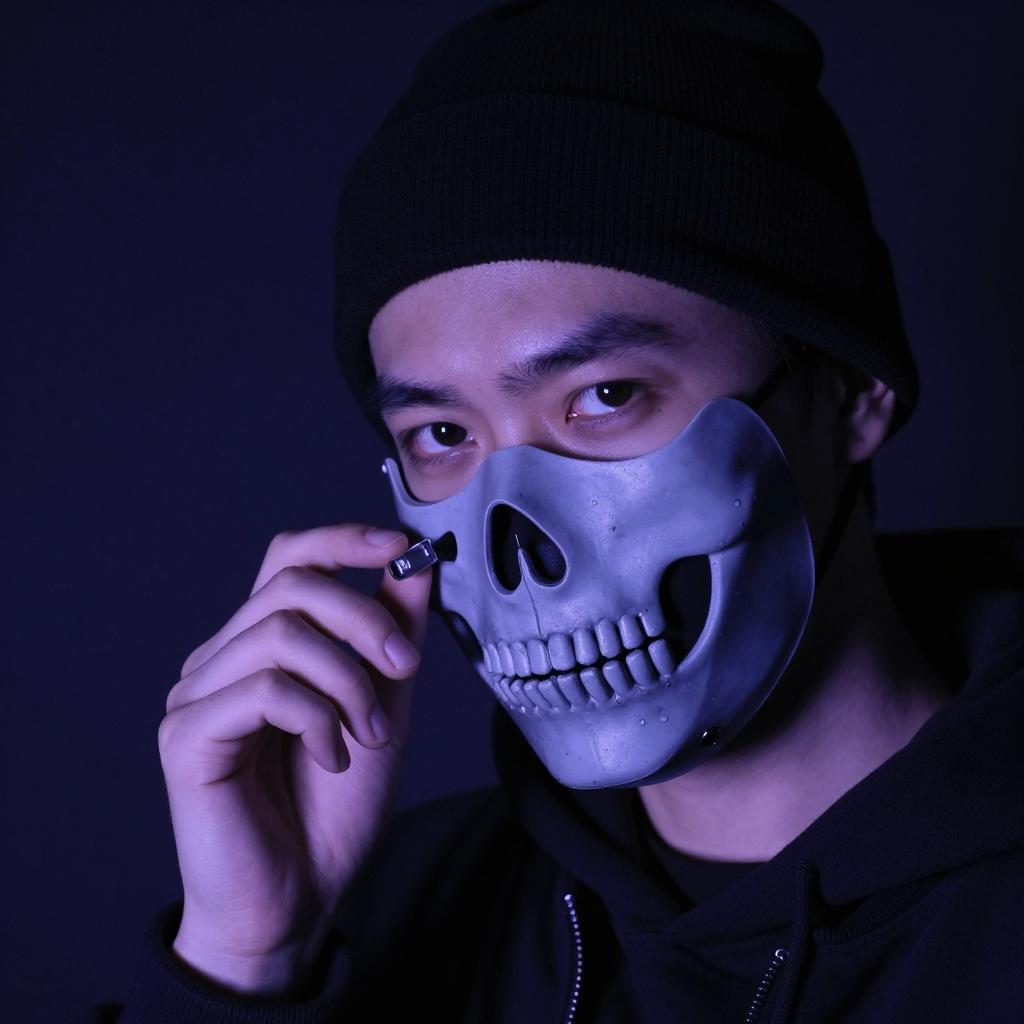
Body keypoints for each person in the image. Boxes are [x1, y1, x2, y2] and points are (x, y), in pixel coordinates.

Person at [87, 1, 1024, 1021]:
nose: (512, 545)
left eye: (605, 396)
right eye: (441, 434)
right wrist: (241, 962)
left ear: (850, 391)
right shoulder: (388, 912)